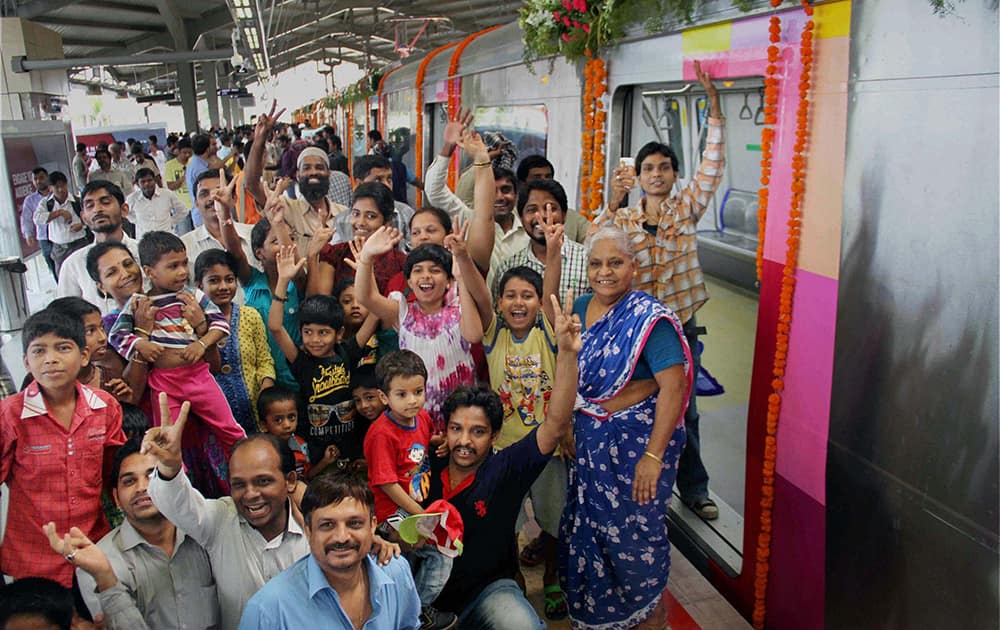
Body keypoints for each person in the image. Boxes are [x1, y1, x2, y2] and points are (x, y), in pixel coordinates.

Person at [596, 60, 724, 521]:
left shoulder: (686, 209)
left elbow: (711, 167)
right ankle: (638, 484)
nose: (655, 174)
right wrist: (614, 195)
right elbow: (595, 238)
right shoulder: (626, 220)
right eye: (648, 168)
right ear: (640, 175)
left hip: (679, 327)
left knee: (683, 413)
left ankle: (694, 488)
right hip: (635, 333)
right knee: (632, 408)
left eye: (663, 167)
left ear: (672, 174)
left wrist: (713, 108)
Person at [562, 226, 693, 629]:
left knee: (636, 542)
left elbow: (674, 384)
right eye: (597, 263)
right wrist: (567, 423)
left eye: (615, 263)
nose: (605, 272)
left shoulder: (650, 320)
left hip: (636, 456)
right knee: (589, 537)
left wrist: (652, 457)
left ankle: (652, 618)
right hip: (588, 451)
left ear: (633, 267)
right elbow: (568, 373)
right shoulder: (580, 309)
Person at [423, 294, 579, 628]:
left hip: (489, 593)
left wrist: (566, 355)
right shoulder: (426, 463)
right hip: (424, 603)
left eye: (477, 431)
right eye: (456, 429)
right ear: (445, 430)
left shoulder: (505, 469)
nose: (464, 441)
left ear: (494, 436)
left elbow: (552, 425)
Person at [142, 403, 306, 630]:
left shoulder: (315, 528)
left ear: (289, 481)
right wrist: (170, 466)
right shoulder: (220, 519)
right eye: (238, 484)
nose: (250, 495)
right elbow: (176, 503)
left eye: (263, 481)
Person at [108, 231, 246, 496]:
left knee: (229, 428)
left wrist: (202, 343)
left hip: (199, 377)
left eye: (184, 263)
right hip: (164, 384)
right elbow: (117, 336)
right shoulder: (139, 304)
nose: (182, 271)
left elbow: (220, 325)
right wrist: (141, 343)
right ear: (150, 271)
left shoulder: (193, 296)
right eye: (173, 266)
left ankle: (243, 472)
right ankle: (178, 494)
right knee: (168, 440)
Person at [0, 309, 126, 587]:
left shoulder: (105, 407)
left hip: (93, 549)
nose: (51, 359)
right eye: (39, 351)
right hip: (32, 560)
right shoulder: (9, 415)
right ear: (26, 362)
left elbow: (112, 475)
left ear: (83, 356)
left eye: (62, 348)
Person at [60, 436, 220, 629]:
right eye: (129, 481)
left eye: (152, 476)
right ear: (116, 498)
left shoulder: (206, 534)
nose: (142, 488)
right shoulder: (98, 564)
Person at [238, 472, 420, 630]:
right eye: (327, 525)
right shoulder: (268, 609)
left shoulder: (396, 573)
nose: (341, 537)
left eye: (354, 523)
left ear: (372, 526)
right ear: (308, 531)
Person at [355, 228, 485, 433]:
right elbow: (365, 297)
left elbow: (474, 335)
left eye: (435, 270)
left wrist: (461, 279)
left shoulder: (460, 308)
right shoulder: (403, 312)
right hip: (419, 422)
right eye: (418, 270)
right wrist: (367, 258)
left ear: (448, 281)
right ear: (409, 281)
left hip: (462, 418)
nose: (426, 276)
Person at [364, 350, 456, 629]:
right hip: (394, 512)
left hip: (416, 508)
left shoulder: (423, 418)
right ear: (384, 397)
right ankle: (415, 612)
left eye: (418, 391)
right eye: (402, 394)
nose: (412, 400)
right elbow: (386, 483)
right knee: (435, 554)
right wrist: (420, 515)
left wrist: (439, 441)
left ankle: (409, 612)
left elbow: (422, 443)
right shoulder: (381, 433)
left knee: (412, 560)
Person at [268, 246, 375, 477]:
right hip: (315, 454)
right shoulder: (301, 360)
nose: (314, 340)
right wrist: (283, 281)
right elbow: (275, 327)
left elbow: (375, 312)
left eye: (323, 333)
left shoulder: (348, 351)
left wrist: (367, 272)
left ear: (339, 333)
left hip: (352, 449)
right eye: (308, 332)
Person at [195, 248, 275, 434]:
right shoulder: (192, 322)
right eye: (214, 280)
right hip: (213, 418)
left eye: (229, 279)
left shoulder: (250, 316)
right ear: (200, 286)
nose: (223, 286)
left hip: (254, 412)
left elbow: (264, 360)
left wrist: (266, 390)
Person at [491, 178, 589, 309]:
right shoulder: (508, 268)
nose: (542, 216)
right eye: (532, 210)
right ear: (521, 217)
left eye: (551, 209)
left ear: (564, 215)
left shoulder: (588, 260)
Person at [308, 182, 405, 297]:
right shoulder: (336, 254)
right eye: (356, 214)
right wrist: (312, 256)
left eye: (370, 216)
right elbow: (319, 304)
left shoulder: (399, 262)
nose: (360, 222)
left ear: (387, 221)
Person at [58, 181, 138, 312]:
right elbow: (67, 315)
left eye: (105, 202)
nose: (97, 209)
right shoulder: (74, 264)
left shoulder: (144, 252)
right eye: (90, 206)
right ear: (83, 217)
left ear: (124, 210)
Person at [335, 155, 415, 245]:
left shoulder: (406, 213)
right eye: (378, 180)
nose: (387, 185)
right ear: (359, 184)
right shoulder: (341, 221)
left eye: (389, 179)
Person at [515, 155, 590, 244]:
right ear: (522, 183)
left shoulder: (569, 216)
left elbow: (594, 237)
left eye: (548, 177)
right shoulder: (511, 217)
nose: (544, 181)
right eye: (537, 178)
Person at [35, 170, 90, 276]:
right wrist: (59, 213)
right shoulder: (46, 203)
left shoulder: (77, 201)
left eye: (63, 186)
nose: (61, 190)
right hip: (59, 248)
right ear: (50, 188)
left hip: (79, 244)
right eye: (56, 187)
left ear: (67, 184)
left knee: (84, 275)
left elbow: (90, 217)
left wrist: (82, 225)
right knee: (64, 278)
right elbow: (37, 218)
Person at [257, 385, 310, 481]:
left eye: (291, 417)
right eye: (278, 420)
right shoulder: (260, 454)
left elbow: (308, 475)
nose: (287, 425)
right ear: (263, 425)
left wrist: (325, 461)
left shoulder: (301, 445)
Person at [125, 168, 189, 239]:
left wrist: (171, 222)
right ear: (137, 184)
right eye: (143, 182)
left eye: (149, 180)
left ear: (154, 180)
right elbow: (125, 213)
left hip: (166, 238)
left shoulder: (167, 194)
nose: (147, 184)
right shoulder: (132, 199)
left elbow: (183, 210)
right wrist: (137, 221)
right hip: (144, 240)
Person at [20, 166, 57, 279]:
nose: (38, 181)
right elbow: (26, 218)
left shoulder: (56, 193)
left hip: (59, 234)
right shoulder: (30, 200)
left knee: (63, 263)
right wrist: (28, 234)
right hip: (44, 238)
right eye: (35, 179)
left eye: (41, 177)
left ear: (47, 177)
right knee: (51, 264)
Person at [185, 133, 217, 226]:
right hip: (204, 215)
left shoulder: (193, 164)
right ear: (208, 149)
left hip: (199, 212)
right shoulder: (200, 169)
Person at [164, 138, 194, 234]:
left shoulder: (194, 162)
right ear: (178, 151)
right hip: (181, 207)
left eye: (189, 153)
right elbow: (171, 186)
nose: (187, 155)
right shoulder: (170, 165)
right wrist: (182, 178)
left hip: (195, 206)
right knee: (185, 235)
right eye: (184, 153)